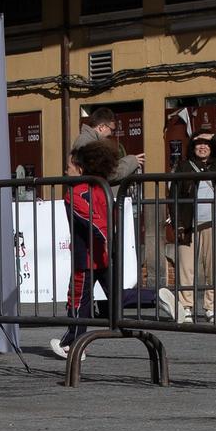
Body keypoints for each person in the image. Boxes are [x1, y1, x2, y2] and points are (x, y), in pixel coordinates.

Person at [51, 138, 119, 359]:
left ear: (80, 169)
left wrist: (105, 237)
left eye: (69, 166)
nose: (65, 169)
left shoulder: (75, 192)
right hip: (105, 255)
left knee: (78, 300)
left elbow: (92, 220)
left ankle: (73, 343)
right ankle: (155, 298)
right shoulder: (103, 187)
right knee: (116, 295)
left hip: (87, 256)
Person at [171, 130, 216, 323]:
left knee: (213, 268)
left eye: (206, 144)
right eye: (198, 143)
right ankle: (186, 307)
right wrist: (177, 224)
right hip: (189, 224)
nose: (202, 146)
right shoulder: (183, 166)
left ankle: (211, 308)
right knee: (186, 268)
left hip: (215, 223)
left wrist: (213, 137)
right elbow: (172, 196)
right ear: (192, 147)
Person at [72, 106, 144, 183]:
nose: (112, 134)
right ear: (102, 127)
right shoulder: (87, 143)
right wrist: (131, 161)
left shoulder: (89, 141)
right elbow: (108, 174)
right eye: (112, 130)